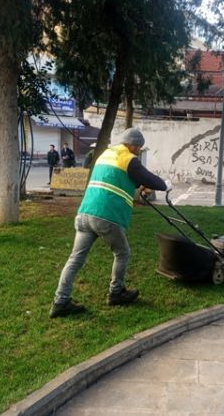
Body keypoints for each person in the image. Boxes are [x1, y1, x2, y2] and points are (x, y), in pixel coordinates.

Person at [50, 128, 173, 318]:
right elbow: (148, 178)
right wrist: (165, 185)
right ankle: (116, 292)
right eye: (139, 147)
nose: (139, 151)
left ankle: (60, 301)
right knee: (122, 253)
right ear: (133, 145)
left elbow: (119, 178)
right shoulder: (129, 159)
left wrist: (139, 186)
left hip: (85, 213)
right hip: (105, 216)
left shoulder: (106, 155)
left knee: (75, 259)